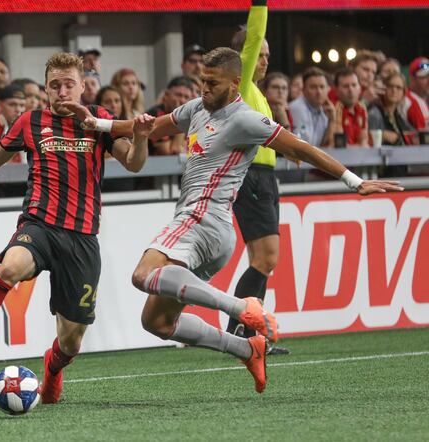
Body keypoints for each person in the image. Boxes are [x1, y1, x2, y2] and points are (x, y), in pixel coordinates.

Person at [65, 46, 402, 394]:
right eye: (202, 81)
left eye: (212, 82)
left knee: (143, 274)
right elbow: (151, 127)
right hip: (216, 235)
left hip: (201, 218)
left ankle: (242, 307)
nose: (204, 88)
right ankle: (246, 348)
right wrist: (97, 123)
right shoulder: (197, 107)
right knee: (157, 322)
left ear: (235, 82)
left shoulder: (244, 118)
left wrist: (354, 181)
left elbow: (300, 147)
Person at [0, 52, 154, 405]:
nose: (62, 91)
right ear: (46, 88)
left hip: (82, 237)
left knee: (71, 342)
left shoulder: (100, 120)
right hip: (39, 224)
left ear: (83, 86)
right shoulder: (31, 121)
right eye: (55, 85)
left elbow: (133, 162)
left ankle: (53, 370)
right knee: (9, 267)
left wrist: (142, 137)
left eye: (69, 84)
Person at [225, 0, 289, 355]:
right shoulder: (242, 82)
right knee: (265, 259)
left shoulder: (257, 94)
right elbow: (254, 35)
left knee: (263, 260)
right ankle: (240, 332)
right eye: (259, 54)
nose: (265, 59)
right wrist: (260, 5)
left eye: (267, 55)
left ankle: (248, 335)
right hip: (252, 178)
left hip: (261, 178)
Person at [145, 76, 193, 155]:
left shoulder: (191, 118)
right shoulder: (155, 115)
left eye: (186, 97)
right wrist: (181, 118)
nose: (182, 100)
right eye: (178, 95)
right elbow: (169, 152)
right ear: (166, 95)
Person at [289, 67, 335, 147]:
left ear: (328, 89)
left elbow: (326, 145)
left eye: (322, 87)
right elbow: (304, 145)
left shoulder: (326, 110)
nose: (319, 92)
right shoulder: (296, 108)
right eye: (313, 87)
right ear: (303, 90)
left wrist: (332, 120)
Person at [334, 68, 368, 147]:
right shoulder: (334, 109)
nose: (351, 90)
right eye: (346, 86)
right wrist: (360, 147)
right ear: (336, 90)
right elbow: (340, 146)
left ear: (360, 88)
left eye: (354, 85)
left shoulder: (362, 108)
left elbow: (364, 141)